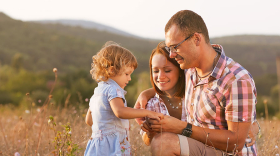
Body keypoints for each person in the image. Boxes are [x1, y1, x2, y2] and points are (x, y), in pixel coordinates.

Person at [135, 10, 257, 156]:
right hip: (201, 147)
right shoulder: (190, 70)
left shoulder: (236, 80)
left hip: (228, 152)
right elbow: (168, 82)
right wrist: (146, 93)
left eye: (175, 47)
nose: (172, 54)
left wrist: (182, 127)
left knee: (164, 143)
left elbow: (236, 143)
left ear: (196, 39)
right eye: (170, 48)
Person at [84, 41, 164, 156]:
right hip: (112, 147)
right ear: (112, 70)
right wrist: (147, 112)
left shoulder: (97, 92)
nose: (130, 78)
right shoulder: (113, 90)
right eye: (127, 74)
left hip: (96, 146)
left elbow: (89, 121)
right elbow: (120, 112)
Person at [139, 41, 187, 146]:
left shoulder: (192, 96)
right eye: (156, 71)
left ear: (180, 71)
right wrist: (150, 133)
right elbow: (147, 142)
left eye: (167, 70)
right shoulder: (152, 104)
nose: (160, 76)